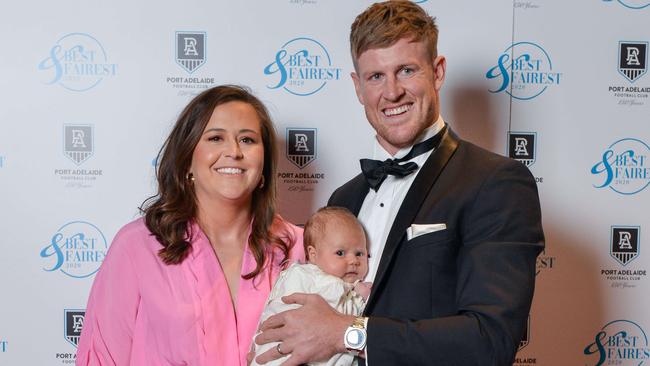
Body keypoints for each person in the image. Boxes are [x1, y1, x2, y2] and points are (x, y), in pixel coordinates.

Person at [254, 1, 545, 365]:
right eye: (375, 77)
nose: (391, 92)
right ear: (358, 87)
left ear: (437, 72)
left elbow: (491, 338)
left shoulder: (496, 183)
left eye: (406, 70)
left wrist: (346, 333)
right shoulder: (345, 197)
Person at [76, 85, 304, 366]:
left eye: (247, 140)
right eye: (216, 138)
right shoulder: (137, 246)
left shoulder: (299, 248)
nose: (233, 151)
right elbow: (103, 357)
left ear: (263, 167)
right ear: (187, 161)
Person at [251, 206, 371, 366]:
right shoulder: (307, 277)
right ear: (313, 255)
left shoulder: (344, 285)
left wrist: (358, 297)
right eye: (340, 253)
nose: (353, 261)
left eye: (360, 254)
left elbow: (344, 322)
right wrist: (357, 296)